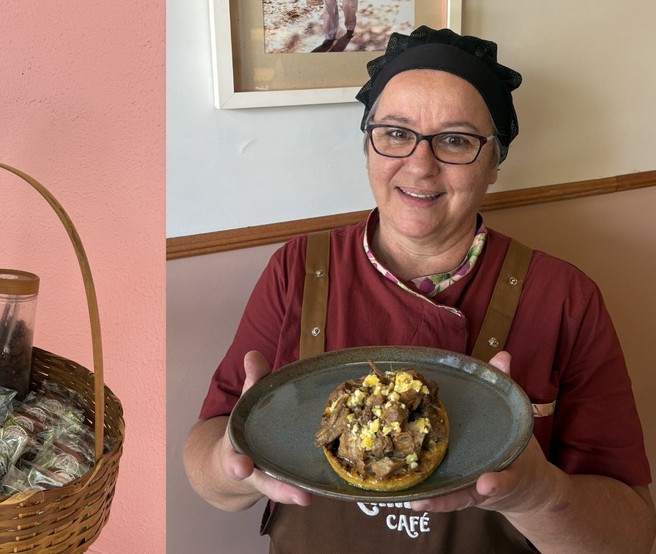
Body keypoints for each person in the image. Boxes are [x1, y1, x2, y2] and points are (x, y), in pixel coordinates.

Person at [184, 26, 655, 553]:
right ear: (369, 146)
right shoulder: (297, 268)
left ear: (495, 163)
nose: (419, 164)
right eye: (395, 132)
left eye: (456, 140)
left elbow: (631, 536)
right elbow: (208, 465)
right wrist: (233, 463)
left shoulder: (565, 297)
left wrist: (535, 493)